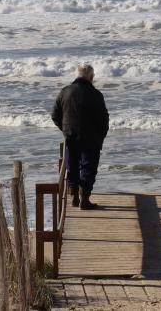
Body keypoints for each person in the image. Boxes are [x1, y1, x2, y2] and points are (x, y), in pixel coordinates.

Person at [51, 63, 109, 210]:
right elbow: (104, 119)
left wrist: (65, 129)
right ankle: (85, 199)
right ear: (91, 77)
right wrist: (100, 136)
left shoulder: (65, 92)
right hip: (91, 137)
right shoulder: (96, 95)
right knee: (88, 167)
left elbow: (55, 115)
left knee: (73, 166)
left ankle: (74, 196)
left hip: (71, 135)